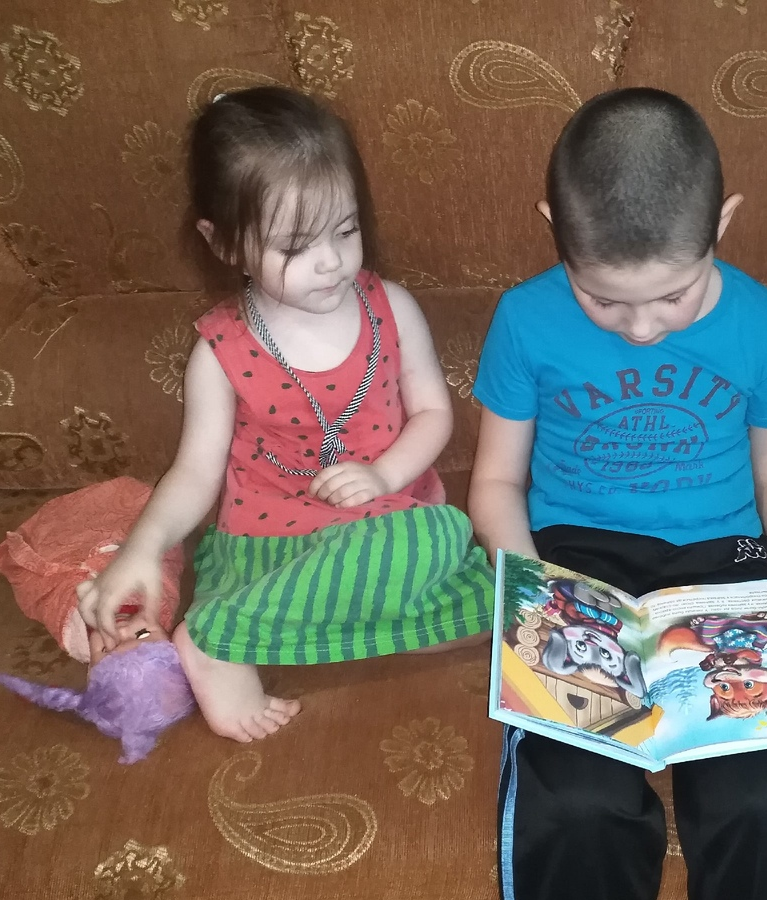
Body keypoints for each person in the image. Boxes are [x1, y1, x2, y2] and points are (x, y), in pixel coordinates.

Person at [470, 87, 767, 900]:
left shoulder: (765, 324)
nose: (642, 328)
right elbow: (494, 482)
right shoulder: (525, 319)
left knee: (766, 808)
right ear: (553, 230)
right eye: (605, 300)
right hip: (577, 566)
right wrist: (533, 589)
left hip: (727, 565)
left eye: (673, 296)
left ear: (724, 222)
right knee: (577, 808)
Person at [76, 87, 493, 743]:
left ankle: (309, 626)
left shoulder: (393, 307)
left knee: (477, 582)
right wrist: (143, 548)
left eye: (346, 230)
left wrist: (383, 477)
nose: (331, 261)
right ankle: (215, 641)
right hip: (269, 548)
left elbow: (434, 414)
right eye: (295, 246)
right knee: (431, 537)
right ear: (224, 243)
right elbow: (194, 472)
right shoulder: (220, 351)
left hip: (385, 520)